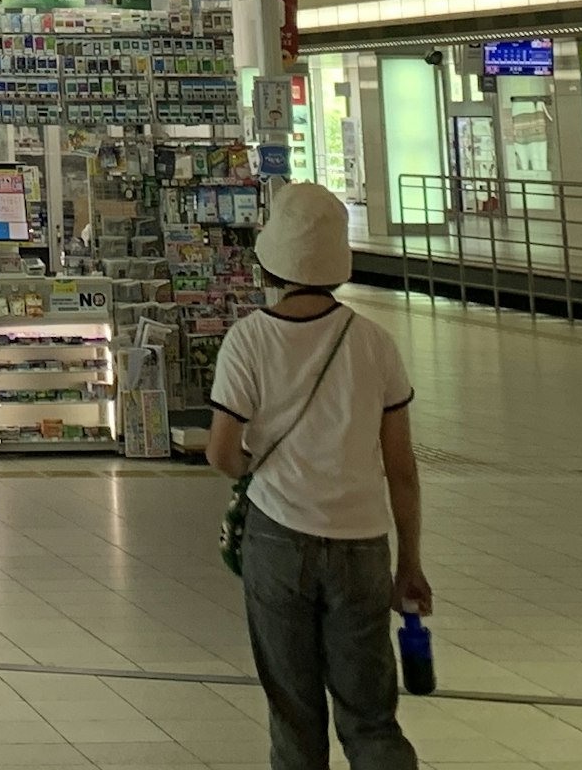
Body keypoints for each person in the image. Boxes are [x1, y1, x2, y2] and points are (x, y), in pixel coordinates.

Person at [206, 179, 429, 770]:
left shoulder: (248, 340)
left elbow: (222, 452)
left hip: (278, 539)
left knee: (294, 712)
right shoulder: (375, 343)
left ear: (272, 259)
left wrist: (256, 473)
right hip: (362, 544)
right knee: (371, 716)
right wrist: (410, 564)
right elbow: (402, 471)